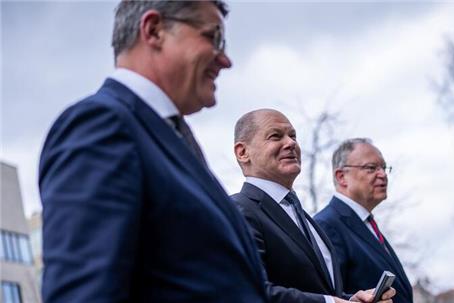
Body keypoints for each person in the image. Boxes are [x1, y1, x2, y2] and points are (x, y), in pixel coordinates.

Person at [38, 1, 267, 302]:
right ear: (154, 30)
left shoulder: (168, 136)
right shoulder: (101, 126)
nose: (225, 60)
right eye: (213, 38)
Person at [231, 109, 395, 303]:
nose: (291, 143)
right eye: (275, 136)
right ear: (243, 152)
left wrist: (351, 300)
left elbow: (319, 290)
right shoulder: (238, 210)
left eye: (293, 136)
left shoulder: (303, 217)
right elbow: (247, 290)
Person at [314, 138, 413, 303]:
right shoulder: (326, 225)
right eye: (371, 168)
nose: (382, 174)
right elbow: (327, 294)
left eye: (383, 167)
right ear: (341, 177)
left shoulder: (367, 224)